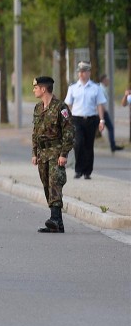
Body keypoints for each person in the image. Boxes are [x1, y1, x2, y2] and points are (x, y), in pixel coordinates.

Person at [31, 75, 75, 233]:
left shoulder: (60, 107)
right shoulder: (37, 108)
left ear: (43, 89)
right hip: (42, 154)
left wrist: (64, 154)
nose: (34, 90)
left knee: (55, 184)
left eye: (36, 87)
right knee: (47, 186)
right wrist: (34, 152)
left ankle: (55, 219)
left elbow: (69, 131)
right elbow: (35, 132)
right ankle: (58, 224)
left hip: (56, 152)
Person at [63, 61, 108, 179]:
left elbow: (99, 105)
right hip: (76, 119)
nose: (81, 74)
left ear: (89, 72)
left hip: (91, 119)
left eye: (84, 71)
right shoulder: (73, 88)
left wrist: (101, 120)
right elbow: (68, 105)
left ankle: (87, 172)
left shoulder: (96, 87)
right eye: (80, 72)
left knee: (88, 145)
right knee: (78, 143)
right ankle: (78, 169)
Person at [97, 74, 123, 153]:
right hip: (102, 112)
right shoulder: (100, 88)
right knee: (110, 128)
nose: (108, 81)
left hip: (101, 111)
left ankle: (113, 145)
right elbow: (100, 101)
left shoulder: (102, 88)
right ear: (104, 80)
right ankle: (113, 145)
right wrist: (104, 110)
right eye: (107, 79)